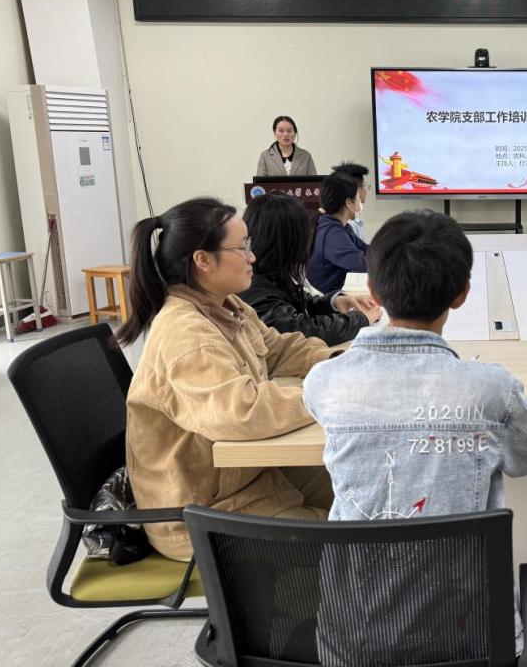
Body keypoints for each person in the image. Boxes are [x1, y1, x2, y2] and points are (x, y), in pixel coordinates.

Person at [303, 210, 527, 659]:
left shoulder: (325, 381)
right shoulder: (491, 388)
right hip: (472, 637)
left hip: (353, 639)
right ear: (462, 294)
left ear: (373, 291)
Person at [116, 197, 335, 561]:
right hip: (202, 513)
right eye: (241, 247)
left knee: (364, 485)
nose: (252, 257)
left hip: (245, 480)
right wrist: (329, 392)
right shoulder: (186, 334)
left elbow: (278, 350)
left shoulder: (225, 305)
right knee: (354, 536)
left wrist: (345, 366)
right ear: (203, 260)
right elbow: (242, 412)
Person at [239, 192, 381, 345]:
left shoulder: (269, 271)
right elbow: (300, 330)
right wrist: (360, 319)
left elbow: (297, 303)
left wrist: (334, 302)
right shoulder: (251, 281)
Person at [307, 171, 367, 294]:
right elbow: (361, 263)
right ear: (348, 202)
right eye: (357, 196)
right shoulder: (332, 233)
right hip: (327, 300)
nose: (360, 200)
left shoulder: (339, 226)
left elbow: (365, 249)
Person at [332, 161, 370, 242]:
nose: (367, 189)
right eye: (365, 185)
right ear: (357, 190)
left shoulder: (343, 222)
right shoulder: (350, 226)